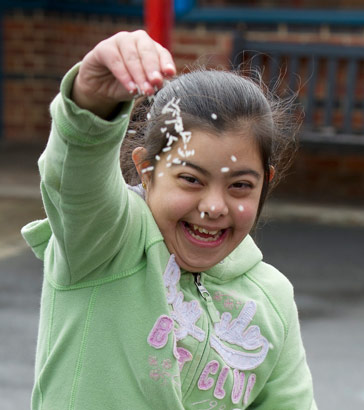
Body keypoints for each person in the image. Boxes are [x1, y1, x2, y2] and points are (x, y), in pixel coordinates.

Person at [22, 30, 317, 410]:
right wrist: (91, 103)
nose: (214, 206)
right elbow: (74, 176)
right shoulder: (103, 242)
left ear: (266, 184)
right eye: (191, 179)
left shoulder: (272, 298)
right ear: (146, 170)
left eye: (240, 185)